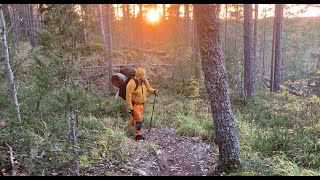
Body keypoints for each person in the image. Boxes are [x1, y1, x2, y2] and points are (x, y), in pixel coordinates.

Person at [126, 67, 158, 141]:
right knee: (139, 120)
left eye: (145, 74)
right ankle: (138, 136)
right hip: (135, 105)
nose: (146, 76)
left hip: (141, 105)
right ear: (140, 76)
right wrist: (130, 108)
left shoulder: (144, 81)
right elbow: (128, 96)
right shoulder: (132, 83)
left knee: (134, 119)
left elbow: (148, 88)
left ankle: (127, 129)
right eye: (144, 75)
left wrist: (154, 91)